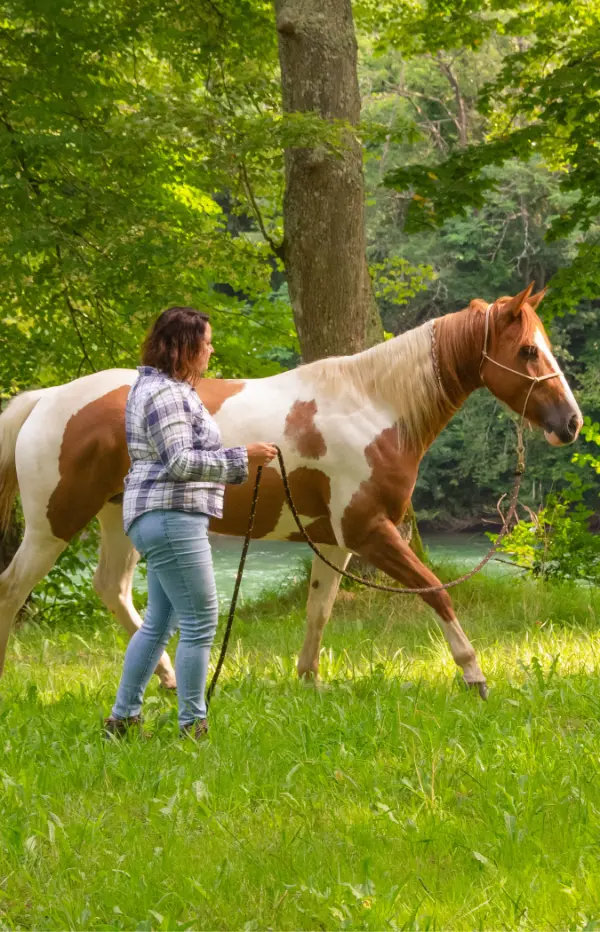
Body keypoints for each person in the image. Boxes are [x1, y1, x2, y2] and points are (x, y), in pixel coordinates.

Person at [104, 306, 277, 739]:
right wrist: (244, 458)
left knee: (159, 621)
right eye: (206, 343)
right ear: (183, 347)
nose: (211, 349)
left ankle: (122, 720)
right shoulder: (166, 395)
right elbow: (179, 462)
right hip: (170, 516)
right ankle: (192, 727)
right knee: (201, 619)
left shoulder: (158, 388)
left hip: (161, 516)